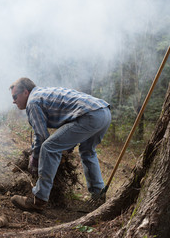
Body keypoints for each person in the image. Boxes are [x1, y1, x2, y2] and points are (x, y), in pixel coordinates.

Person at [9, 77, 111, 211]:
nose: (13, 101)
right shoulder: (44, 93)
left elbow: (42, 136)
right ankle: (98, 196)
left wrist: (34, 159)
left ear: (26, 92)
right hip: (103, 112)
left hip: (89, 115)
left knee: (48, 147)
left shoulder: (33, 102)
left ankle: (38, 200)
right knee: (88, 151)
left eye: (15, 96)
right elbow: (68, 120)